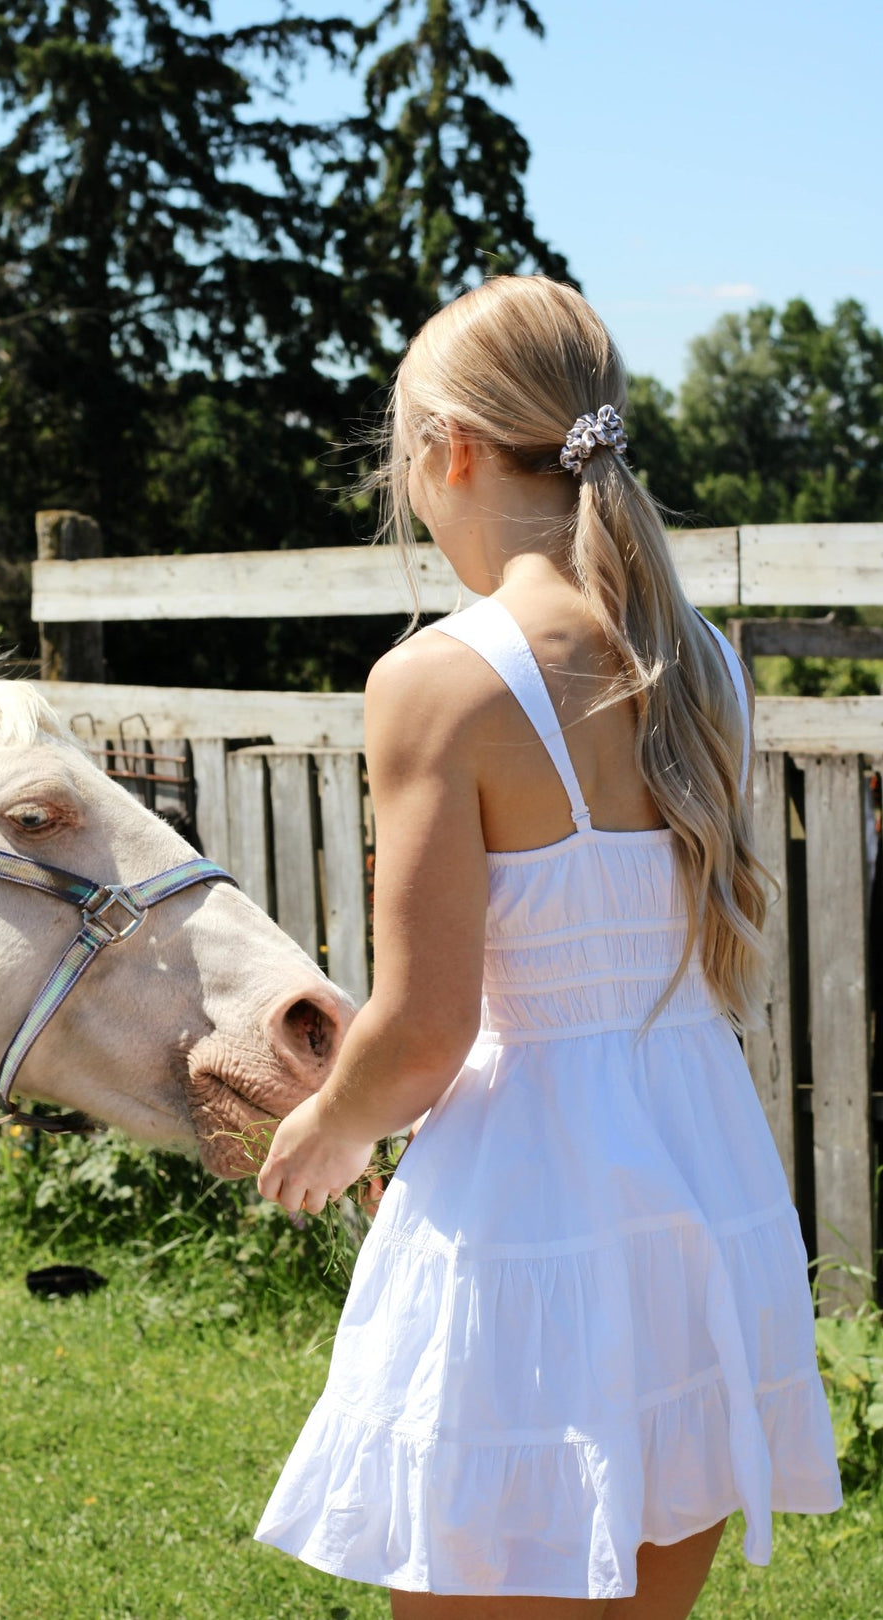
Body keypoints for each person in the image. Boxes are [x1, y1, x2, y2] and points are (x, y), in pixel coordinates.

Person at [254, 275, 842, 1618]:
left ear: (453, 450)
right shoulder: (704, 662)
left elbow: (427, 1029)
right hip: (698, 1168)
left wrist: (334, 1126)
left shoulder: (438, 683)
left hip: (533, 1203)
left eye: (409, 454)